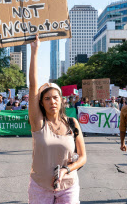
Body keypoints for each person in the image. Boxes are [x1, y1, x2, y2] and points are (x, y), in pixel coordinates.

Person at [28, 35, 86, 203]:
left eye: (55, 97)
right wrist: (34, 51)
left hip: (68, 186)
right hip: (40, 187)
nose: (52, 101)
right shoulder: (38, 123)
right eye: (47, 98)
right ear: (41, 102)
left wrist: (65, 170)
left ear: (61, 100)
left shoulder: (72, 124)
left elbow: (82, 157)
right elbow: (33, 87)